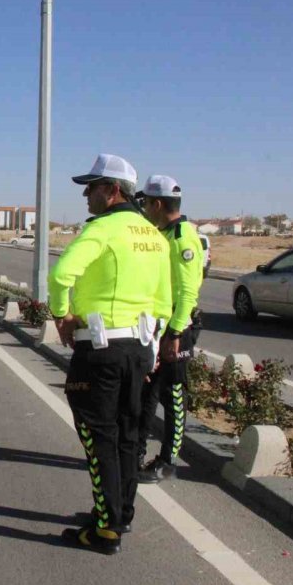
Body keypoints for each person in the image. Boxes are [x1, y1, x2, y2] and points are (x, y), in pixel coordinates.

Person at [49, 154, 172, 554]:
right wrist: (150, 348)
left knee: (97, 433)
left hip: (100, 350)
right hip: (139, 349)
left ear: (113, 191)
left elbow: (60, 274)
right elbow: (164, 301)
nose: (86, 194)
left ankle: (105, 529)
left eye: (92, 187)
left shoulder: (103, 230)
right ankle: (121, 514)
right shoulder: (153, 235)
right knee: (127, 434)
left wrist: (61, 315)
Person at [135, 176, 205, 483]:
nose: (144, 208)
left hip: (177, 328)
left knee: (173, 395)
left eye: (146, 203)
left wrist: (175, 334)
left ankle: (167, 461)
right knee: (147, 391)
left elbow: (188, 292)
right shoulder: (161, 233)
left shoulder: (183, 238)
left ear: (158, 204)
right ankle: (136, 452)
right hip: (157, 325)